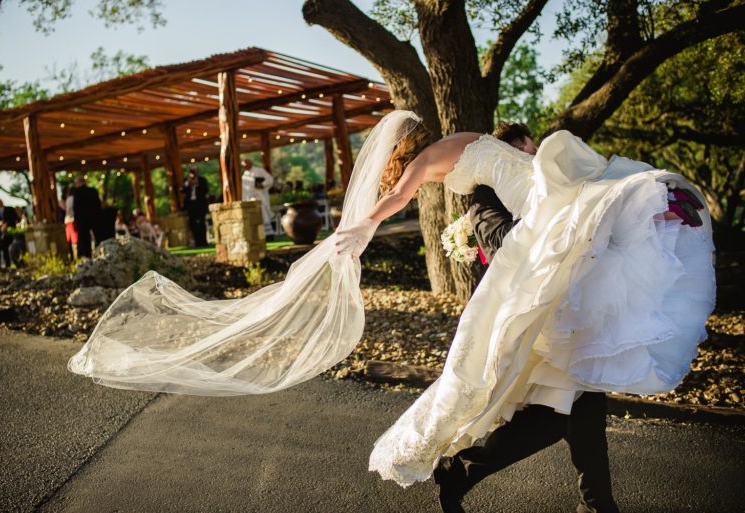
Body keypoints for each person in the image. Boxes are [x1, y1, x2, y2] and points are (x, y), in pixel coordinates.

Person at [68, 112, 714, 509]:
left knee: (551, 358)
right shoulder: (466, 146)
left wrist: (359, 229)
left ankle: (553, 486)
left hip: (543, 214)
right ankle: (491, 473)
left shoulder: (437, 156)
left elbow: (399, 197)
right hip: (542, 212)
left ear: (405, 150)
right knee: (554, 356)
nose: (399, 173)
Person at [433, 122, 617, 513]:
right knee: (559, 413)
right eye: (528, 150)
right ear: (509, 154)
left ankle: (596, 503)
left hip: (564, 312)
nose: (535, 157)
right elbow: (501, 243)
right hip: (531, 321)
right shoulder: (485, 198)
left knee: (583, 406)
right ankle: (463, 468)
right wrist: (549, 223)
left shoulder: (553, 188)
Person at [241, 159, 275, 239]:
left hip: (260, 197)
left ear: (250, 163)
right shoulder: (245, 175)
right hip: (249, 199)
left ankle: (269, 235)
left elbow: (270, 179)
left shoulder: (259, 170)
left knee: (264, 216)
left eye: (246, 164)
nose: (245, 166)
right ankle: (258, 235)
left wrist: (262, 184)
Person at [72, 176, 102, 258]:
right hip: (94, 218)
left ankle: (87, 256)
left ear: (78, 183)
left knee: (85, 241)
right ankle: (100, 252)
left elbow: (76, 208)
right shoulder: (93, 191)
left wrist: (76, 221)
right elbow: (98, 205)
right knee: (98, 237)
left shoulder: (77, 192)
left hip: (82, 220)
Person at [182, 166, 210, 247]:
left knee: (202, 223)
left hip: (200, 204)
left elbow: (206, 190)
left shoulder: (202, 180)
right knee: (192, 223)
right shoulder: (187, 181)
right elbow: (181, 190)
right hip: (191, 205)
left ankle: (203, 242)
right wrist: (188, 184)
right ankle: (197, 242)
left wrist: (197, 184)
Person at [0, 199, 18, 267]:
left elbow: (14, 218)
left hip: (11, 232)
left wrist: (6, 225)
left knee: (13, 247)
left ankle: (16, 262)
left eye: (0, 202)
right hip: (2, 234)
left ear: (2, 202)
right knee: (4, 249)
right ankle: (7, 265)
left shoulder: (10, 209)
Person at [63, 187, 78, 259]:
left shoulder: (69, 199)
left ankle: (73, 257)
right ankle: (75, 256)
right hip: (72, 221)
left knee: (71, 240)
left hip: (69, 221)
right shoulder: (73, 198)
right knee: (74, 240)